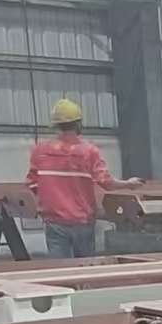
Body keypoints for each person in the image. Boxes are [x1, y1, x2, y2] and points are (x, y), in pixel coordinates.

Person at [26, 98, 139, 258]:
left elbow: (31, 184)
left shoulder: (40, 151)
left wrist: (50, 201)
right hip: (82, 221)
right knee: (86, 266)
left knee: (60, 268)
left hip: (54, 221)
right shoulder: (89, 152)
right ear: (78, 124)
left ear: (56, 125)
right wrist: (129, 184)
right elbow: (107, 183)